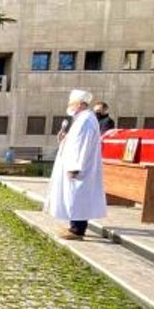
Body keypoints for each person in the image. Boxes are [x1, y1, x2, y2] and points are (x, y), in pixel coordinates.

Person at [45, 89, 107, 240]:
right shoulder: (82, 119)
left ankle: (77, 230)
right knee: (74, 196)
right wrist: (64, 138)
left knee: (77, 195)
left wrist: (74, 167)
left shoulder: (85, 120)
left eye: (71, 103)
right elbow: (74, 142)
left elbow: (82, 146)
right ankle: (74, 225)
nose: (69, 106)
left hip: (78, 168)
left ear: (79, 104)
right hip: (76, 165)